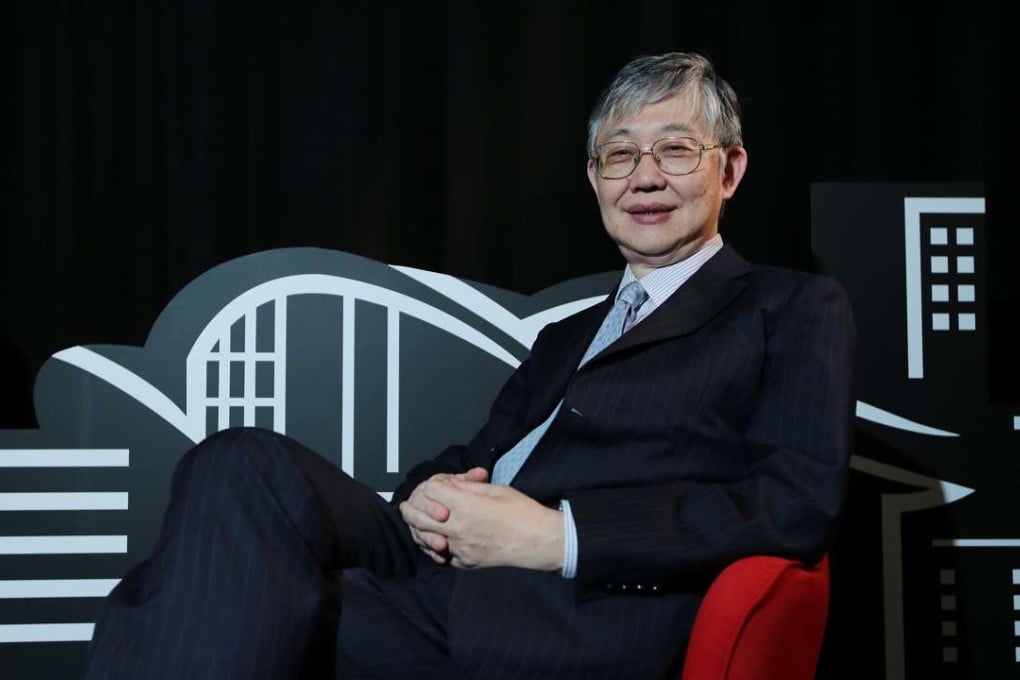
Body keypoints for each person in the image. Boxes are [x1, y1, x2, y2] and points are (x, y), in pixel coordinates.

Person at [83, 50, 856, 679]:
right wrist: (427, 492)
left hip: (565, 608)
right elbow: (482, 454)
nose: (644, 177)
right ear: (594, 180)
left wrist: (556, 535)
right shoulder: (567, 335)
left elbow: (794, 501)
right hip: (443, 566)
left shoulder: (788, 308)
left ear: (730, 170)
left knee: (211, 599)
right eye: (620, 154)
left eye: (675, 150)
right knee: (240, 464)